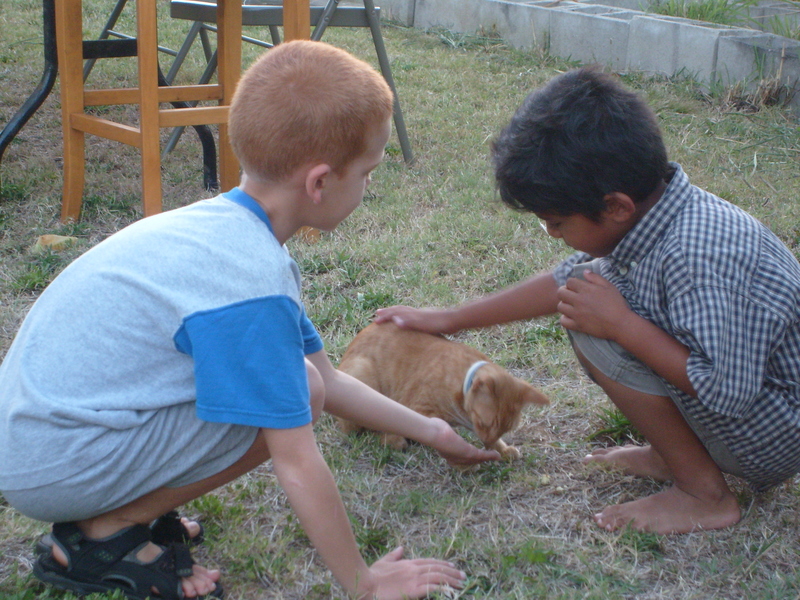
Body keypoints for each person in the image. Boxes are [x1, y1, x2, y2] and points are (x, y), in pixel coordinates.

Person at [0, 40, 500, 600]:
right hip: (54, 462)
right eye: (367, 172)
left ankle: (116, 509)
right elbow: (297, 457)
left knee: (301, 383)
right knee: (294, 396)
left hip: (43, 437)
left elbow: (330, 381)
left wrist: (434, 431)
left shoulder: (231, 234)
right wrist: (364, 582)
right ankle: (106, 528)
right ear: (319, 182)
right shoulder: (250, 280)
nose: (368, 187)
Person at [376, 66, 800, 536]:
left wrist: (623, 326)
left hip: (771, 435)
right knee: (588, 298)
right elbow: (567, 278)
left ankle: (704, 495)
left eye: (556, 222)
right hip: (755, 411)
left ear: (616, 206)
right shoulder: (657, 213)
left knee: (595, 322)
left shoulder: (697, 258)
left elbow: (729, 391)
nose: (554, 235)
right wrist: (451, 317)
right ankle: (672, 454)